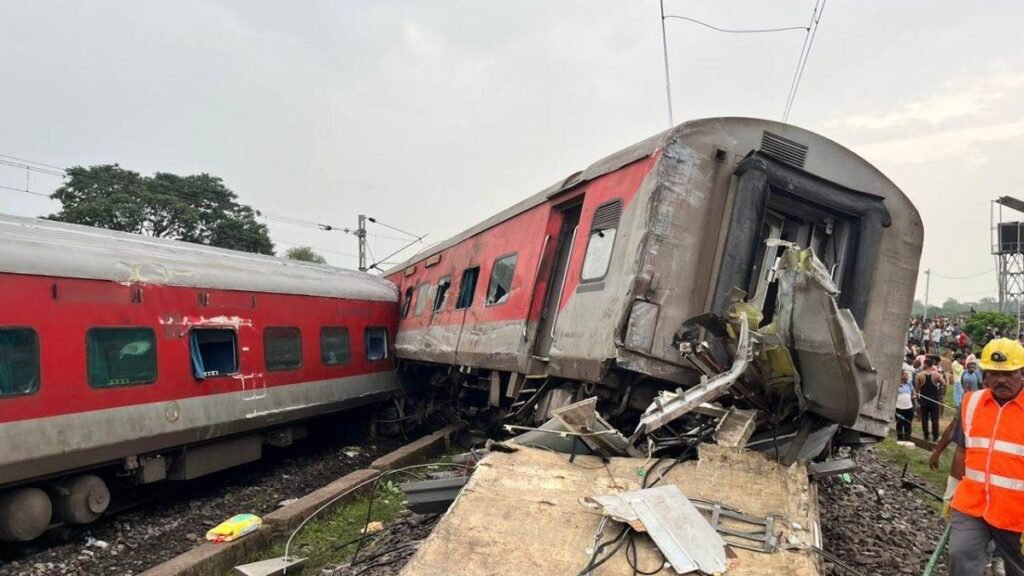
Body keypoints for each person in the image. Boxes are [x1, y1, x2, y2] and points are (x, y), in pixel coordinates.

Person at [947, 338, 1024, 575]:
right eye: (993, 373)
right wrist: (951, 490)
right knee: (959, 555)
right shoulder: (972, 403)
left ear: (1022, 372)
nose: (1001, 379)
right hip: (973, 506)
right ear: (985, 374)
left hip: (1017, 513)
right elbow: (962, 450)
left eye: (1009, 373)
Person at [916, 356, 945, 441]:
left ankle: (926, 435)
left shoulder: (919, 375)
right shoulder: (937, 374)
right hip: (934, 400)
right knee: (934, 419)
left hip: (924, 400)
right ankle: (935, 436)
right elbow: (943, 383)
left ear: (925, 364)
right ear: (932, 365)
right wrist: (940, 394)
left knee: (924, 419)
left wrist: (918, 398)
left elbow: (917, 389)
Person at [895, 369, 916, 441]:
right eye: (905, 374)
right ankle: (900, 439)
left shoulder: (909, 383)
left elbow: (913, 392)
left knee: (908, 424)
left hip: (909, 408)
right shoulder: (896, 384)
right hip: (899, 408)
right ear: (901, 376)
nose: (907, 376)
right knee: (900, 424)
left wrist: (914, 395)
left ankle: (908, 439)